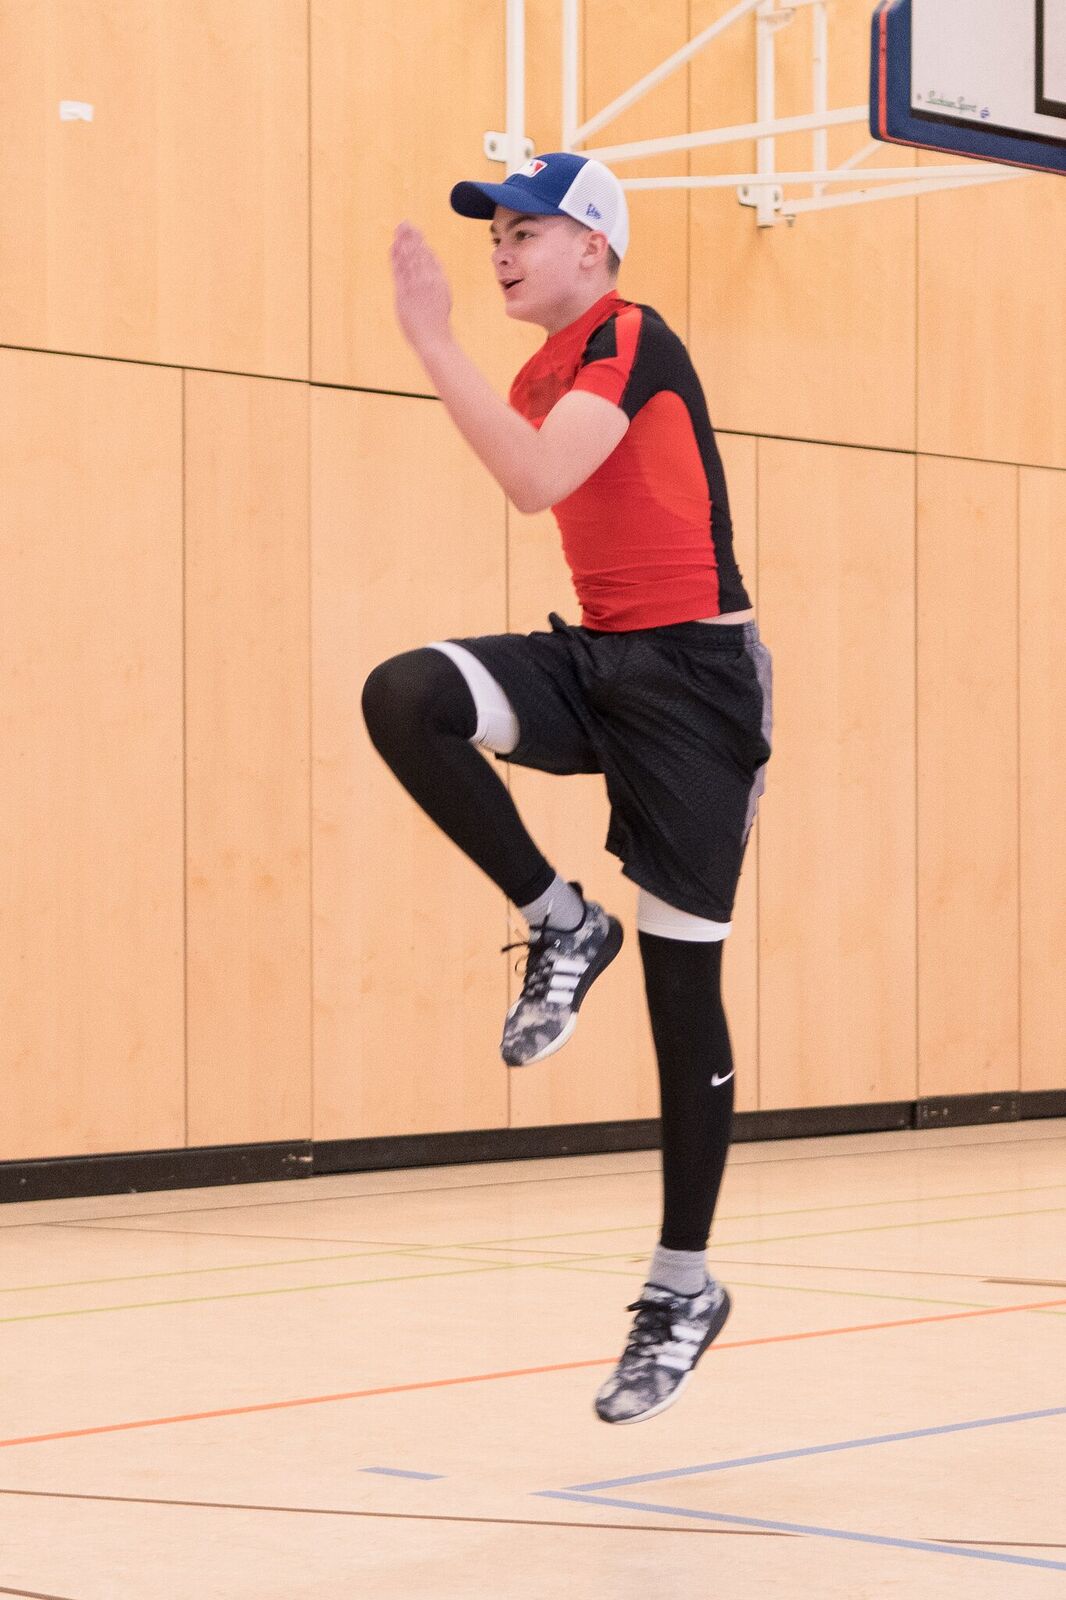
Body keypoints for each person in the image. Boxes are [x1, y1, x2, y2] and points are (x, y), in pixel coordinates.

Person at [361, 152, 773, 1425]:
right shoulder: (544, 369)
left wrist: (430, 340)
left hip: (696, 688)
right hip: (601, 661)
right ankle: (559, 920)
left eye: (524, 230)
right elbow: (540, 477)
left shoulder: (629, 336)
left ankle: (682, 1287)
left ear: (592, 246)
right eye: (494, 232)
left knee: (680, 997)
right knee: (407, 695)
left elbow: (537, 480)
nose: (499, 249)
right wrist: (449, 348)